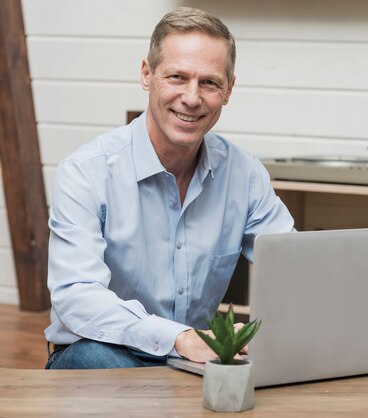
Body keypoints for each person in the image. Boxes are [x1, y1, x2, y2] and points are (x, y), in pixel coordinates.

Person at [44, 7, 294, 369]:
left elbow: (292, 263)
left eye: (209, 82)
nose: (192, 98)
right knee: (98, 361)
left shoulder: (244, 174)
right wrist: (179, 338)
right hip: (103, 349)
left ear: (229, 90)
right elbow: (77, 297)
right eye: (177, 77)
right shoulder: (86, 173)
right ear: (147, 74)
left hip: (193, 361)